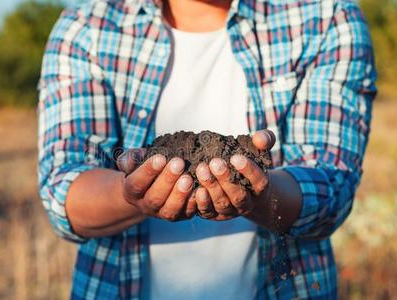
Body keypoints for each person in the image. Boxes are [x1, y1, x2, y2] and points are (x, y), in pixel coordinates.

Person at [37, 0, 376, 299]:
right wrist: (132, 193)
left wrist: (258, 190)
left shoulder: (326, 16)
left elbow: (331, 185)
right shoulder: (87, 28)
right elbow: (64, 189)